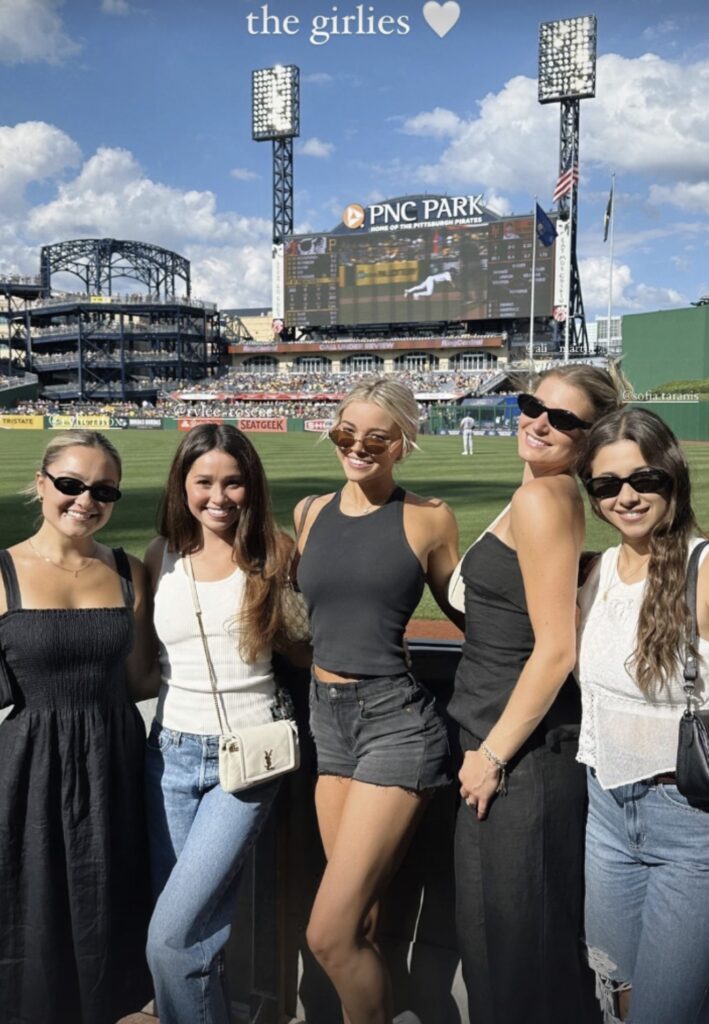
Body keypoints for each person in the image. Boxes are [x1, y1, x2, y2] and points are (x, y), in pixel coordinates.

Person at [449, 365, 626, 1024]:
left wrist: (491, 756)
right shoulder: (538, 494)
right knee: (501, 963)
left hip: (516, 762)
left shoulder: (542, 500)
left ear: (588, 439)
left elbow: (555, 650)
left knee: (521, 973)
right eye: (530, 405)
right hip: (499, 752)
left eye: (563, 419)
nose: (539, 421)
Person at [295, 377, 461, 1024]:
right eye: (344, 434)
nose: (356, 448)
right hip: (324, 721)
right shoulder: (309, 511)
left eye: (374, 438)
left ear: (401, 443)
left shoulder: (429, 517)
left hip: (395, 726)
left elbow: (466, 611)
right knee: (356, 922)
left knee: (327, 934)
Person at [0, 430, 156, 1024]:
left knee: (106, 911)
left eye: (103, 489)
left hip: (114, 761)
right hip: (28, 768)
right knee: (31, 911)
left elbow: (141, 679)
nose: (85, 500)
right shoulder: (3, 571)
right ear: (41, 485)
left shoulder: (127, 570)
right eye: (70, 484)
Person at [144, 423, 295, 1024]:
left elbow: (306, 647)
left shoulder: (275, 552)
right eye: (204, 481)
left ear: (250, 485)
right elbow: (140, 665)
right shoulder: (161, 557)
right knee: (197, 935)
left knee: (171, 937)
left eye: (234, 482)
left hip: (248, 760)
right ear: (182, 484)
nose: (219, 496)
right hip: (170, 755)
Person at [576, 407, 709, 1024]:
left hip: (688, 822)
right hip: (605, 809)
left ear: (672, 477)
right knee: (620, 998)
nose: (625, 497)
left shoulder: (702, 568)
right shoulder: (600, 571)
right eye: (606, 486)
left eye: (643, 480)